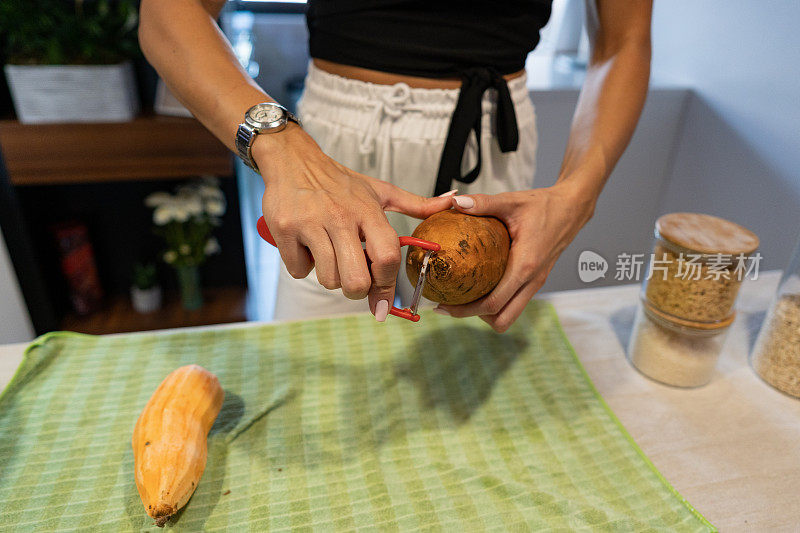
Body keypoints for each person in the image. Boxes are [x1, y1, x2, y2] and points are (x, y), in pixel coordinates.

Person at [139, 0, 652, 332]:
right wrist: (283, 148)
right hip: (330, 150)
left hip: (488, 151)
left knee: (466, 381)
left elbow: (624, 39)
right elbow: (169, 13)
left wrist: (576, 198)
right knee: (320, 382)